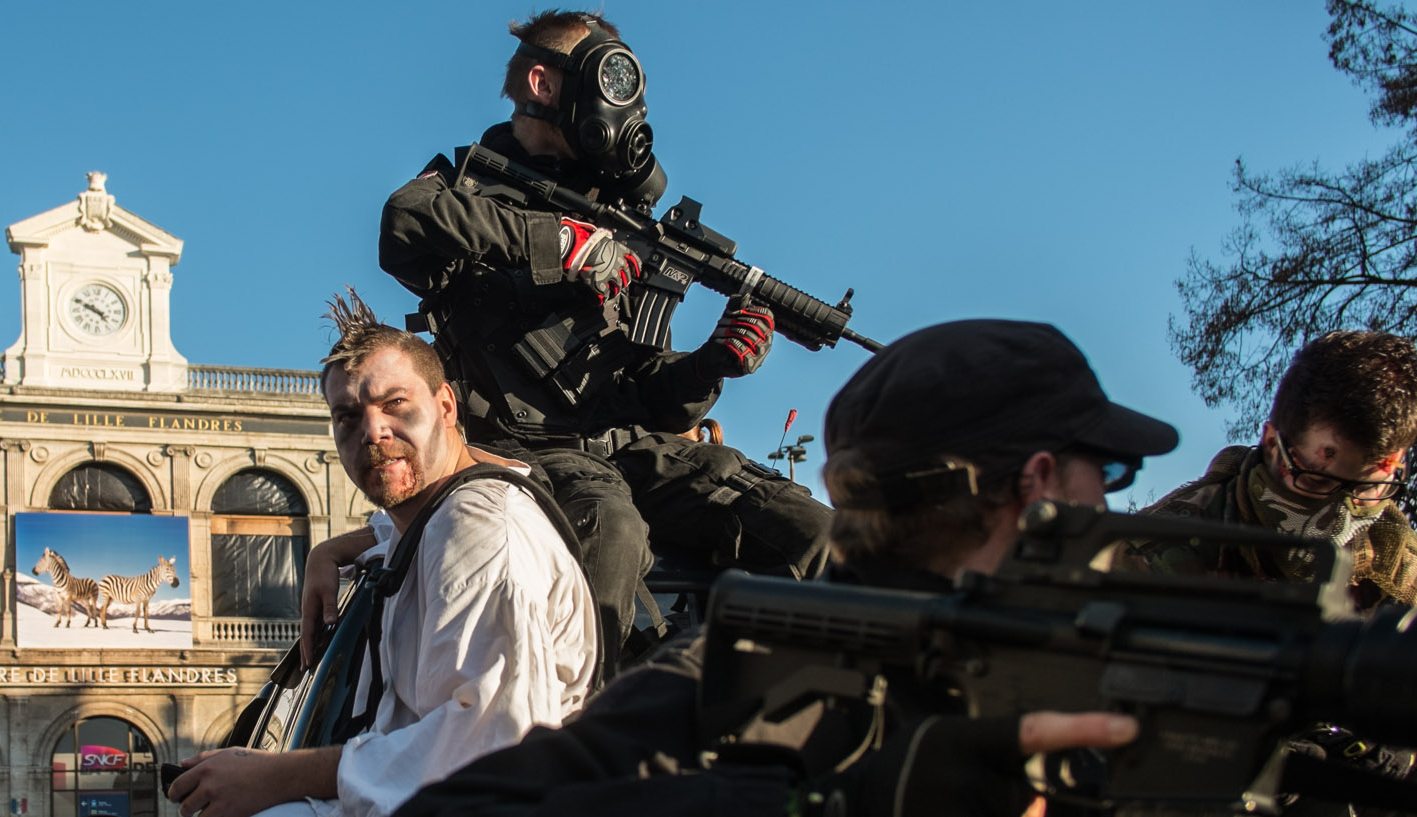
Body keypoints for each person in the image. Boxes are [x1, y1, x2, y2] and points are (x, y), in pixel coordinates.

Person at [393, 319, 1172, 817]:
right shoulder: (754, 670)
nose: (1107, 504)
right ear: (1036, 487)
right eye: (1103, 472)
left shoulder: (1126, 666)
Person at [375, 8, 831, 678]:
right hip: (518, 453)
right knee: (611, 530)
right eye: (610, 80)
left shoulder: (623, 218)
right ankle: (583, 742)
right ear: (544, 82)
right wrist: (558, 243)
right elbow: (402, 221)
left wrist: (712, 364)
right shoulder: (466, 189)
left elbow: (651, 397)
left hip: (625, 446)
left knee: (808, 529)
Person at [168, 292, 597, 817]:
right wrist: (327, 551)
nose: (373, 432)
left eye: (394, 404)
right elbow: (390, 531)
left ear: (444, 406)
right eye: (348, 416)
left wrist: (278, 775)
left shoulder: (481, 530)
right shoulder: (429, 521)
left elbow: (495, 744)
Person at [1116, 330, 1417, 613]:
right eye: (1316, 480)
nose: (1340, 518)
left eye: (1367, 489)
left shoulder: (1402, 567)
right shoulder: (1153, 554)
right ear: (1272, 443)